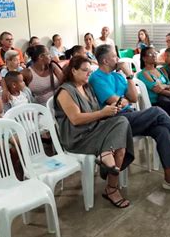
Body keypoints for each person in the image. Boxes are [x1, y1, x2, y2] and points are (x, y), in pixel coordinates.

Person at [89, 45, 170, 193]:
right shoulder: (96, 78)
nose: (118, 59)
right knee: (156, 111)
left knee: (161, 130)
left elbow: (133, 97)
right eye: (114, 56)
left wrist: (128, 75)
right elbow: (115, 102)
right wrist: (124, 100)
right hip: (114, 121)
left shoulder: (117, 76)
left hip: (129, 115)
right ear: (105, 60)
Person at [55, 56, 134, 208]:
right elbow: (76, 119)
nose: (88, 74)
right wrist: (103, 113)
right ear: (73, 70)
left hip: (93, 129)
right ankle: (112, 189)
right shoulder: (65, 91)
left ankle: (105, 155)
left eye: (90, 71)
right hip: (77, 137)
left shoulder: (86, 87)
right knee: (120, 148)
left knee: (122, 120)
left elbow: (96, 111)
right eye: (85, 71)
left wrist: (111, 110)